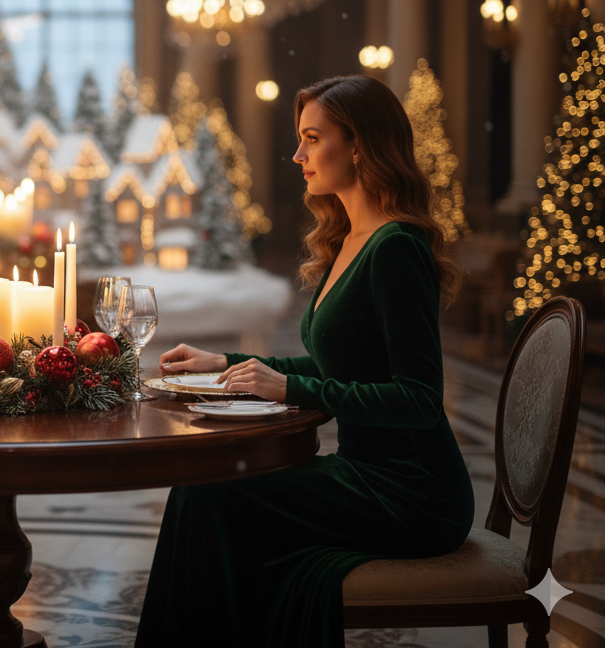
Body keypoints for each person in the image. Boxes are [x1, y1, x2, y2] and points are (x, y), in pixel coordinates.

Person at [136, 75, 474, 647]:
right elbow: (340, 365)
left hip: (411, 492)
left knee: (207, 497)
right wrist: (225, 363)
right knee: (202, 491)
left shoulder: (395, 249)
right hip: (367, 476)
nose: (298, 155)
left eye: (312, 139)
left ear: (360, 145)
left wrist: (290, 389)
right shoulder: (351, 238)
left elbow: (418, 400)